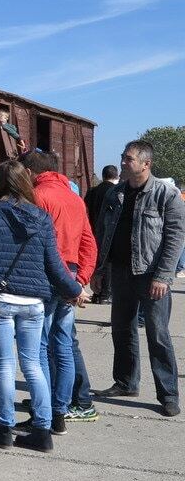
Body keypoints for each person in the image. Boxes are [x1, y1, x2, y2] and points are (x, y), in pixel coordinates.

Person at [0, 160, 83, 452]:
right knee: (33, 365)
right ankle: (42, 433)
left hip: (3, 300)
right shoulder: (42, 217)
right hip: (35, 303)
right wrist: (75, 289)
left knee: (6, 366)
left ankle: (4, 429)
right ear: (25, 182)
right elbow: (54, 264)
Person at [91, 140, 185, 417]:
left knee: (157, 335)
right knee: (122, 330)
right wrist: (99, 270)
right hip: (120, 272)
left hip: (151, 276)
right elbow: (102, 233)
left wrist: (164, 276)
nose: (123, 162)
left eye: (129, 159)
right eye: (122, 157)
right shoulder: (115, 194)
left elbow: (175, 239)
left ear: (146, 164)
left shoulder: (166, 195)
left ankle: (168, 394)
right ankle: (125, 382)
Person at [19, 150, 96, 432]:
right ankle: (60, 411)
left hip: (45, 276)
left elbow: (28, 244)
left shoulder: (38, 197)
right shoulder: (74, 199)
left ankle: (44, 411)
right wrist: (79, 281)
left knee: (39, 346)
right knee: (62, 344)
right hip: (71, 274)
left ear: (29, 172)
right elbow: (89, 242)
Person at [85, 165, 119, 303]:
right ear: (116, 176)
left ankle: (96, 292)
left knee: (95, 260)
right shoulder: (115, 191)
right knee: (108, 262)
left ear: (103, 175)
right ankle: (105, 293)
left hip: (93, 229)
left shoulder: (92, 191)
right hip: (108, 231)